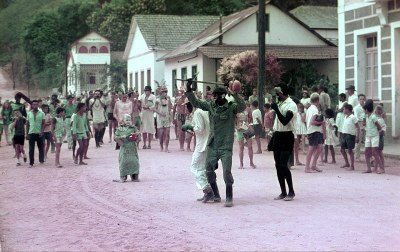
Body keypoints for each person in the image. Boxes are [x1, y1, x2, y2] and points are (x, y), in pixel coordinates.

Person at [185, 80, 246, 207]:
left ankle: (229, 197)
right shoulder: (210, 106)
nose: (216, 98)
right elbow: (196, 102)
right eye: (215, 96)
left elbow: (242, 106)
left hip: (225, 145)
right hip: (213, 144)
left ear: (224, 96)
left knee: (226, 172)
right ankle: (216, 195)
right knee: (209, 170)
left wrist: (234, 93)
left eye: (219, 96)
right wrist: (188, 89)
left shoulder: (231, 107)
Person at [269, 85, 297, 201]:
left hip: (287, 135)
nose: (277, 96)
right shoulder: (280, 103)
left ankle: (291, 191)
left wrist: (276, 109)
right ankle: (283, 191)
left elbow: (285, 121)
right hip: (277, 135)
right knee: (277, 165)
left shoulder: (291, 105)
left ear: (283, 93)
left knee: (283, 164)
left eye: (278, 94)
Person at [182, 106, 214, 202]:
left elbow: (200, 129)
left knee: (195, 167)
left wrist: (190, 127)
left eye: (185, 107)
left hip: (202, 145)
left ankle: (207, 190)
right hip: (206, 143)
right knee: (202, 169)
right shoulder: (204, 111)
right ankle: (207, 192)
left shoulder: (198, 112)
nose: (185, 110)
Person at [113, 114, 140, 182]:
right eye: (126, 120)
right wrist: (121, 138)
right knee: (123, 162)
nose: (128, 121)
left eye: (129, 120)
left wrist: (136, 136)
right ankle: (123, 177)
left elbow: (138, 136)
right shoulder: (119, 129)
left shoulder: (134, 128)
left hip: (132, 147)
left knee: (134, 162)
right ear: (123, 121)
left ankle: (134, 176)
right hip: (124, 147)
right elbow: (115, 137)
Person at [304, 93, 324, 173]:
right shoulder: (314, 109)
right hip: (314, 130)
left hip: (314, 130)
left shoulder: (310, 109)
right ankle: (307, 167)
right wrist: (321, 122)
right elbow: (312, 121)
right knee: (311, 149)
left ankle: (313, 165)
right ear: (317, 100)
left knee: (320, 147)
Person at [363, 100, 384, 174]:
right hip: (368, 136)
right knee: (366, 152)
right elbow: (364, 123)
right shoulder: (366, 116)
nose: (363, 111)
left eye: (364, 109)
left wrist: (380, 132)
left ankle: (381, 168)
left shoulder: (373, 117)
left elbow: (378, 126)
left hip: (374, 136)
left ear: (366, 110)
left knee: (374, 152)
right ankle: (369, 168)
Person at [236, 102, 256, 169]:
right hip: (240, 129)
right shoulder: (235, 110)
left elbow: (251, 118)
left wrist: (250, 125)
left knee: (250, 147)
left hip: (247, 128)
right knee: (241, 147)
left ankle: (251, 162)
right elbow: (233, 120)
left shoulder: (248, 109)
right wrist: (236, 127)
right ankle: (241, 164)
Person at [26, 100, 45, 168]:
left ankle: (41, 160)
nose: (35, 106)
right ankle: (31, 162)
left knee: (41, 147)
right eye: (34, 104)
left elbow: (43, 123)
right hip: (31, 132)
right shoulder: (29, 113)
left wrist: (42, 132)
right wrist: (27, 134)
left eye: (36, 104)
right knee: (31, 149)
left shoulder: (42, 113)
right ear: (32, 105)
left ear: (38, 105)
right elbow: (27, 124)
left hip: (39, 132)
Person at [155, 87, 172, 152]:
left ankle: (166, 147)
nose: (165, 93)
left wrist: (169, 100)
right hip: (160, 118)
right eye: (164, 92)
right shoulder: (157, 100)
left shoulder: (168, 99)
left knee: (167, 133)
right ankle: (161, 146)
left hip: (167, 117)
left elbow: (170, 107)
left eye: (166, 92)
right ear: (161, 93)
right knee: (161, 133)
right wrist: (160, 113)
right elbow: (154, 109)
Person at [354, 94, 366, 162]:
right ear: (358, 100)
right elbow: (356, 118)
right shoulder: (356, 108)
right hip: (359, 123)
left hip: (366, 124)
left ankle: (369, 157)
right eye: (360, 99)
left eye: (363, 99)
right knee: (358, 141)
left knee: (367, 141)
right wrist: (360, 126)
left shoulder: (366, 107)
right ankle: (357, 156)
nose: (362, 100)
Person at [374, 105, 386, 172]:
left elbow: (383, 131)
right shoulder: (377, 119)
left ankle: (382, 167)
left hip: (380, 138)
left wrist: (379, 132)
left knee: (379, 153)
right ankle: (376, 167)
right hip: (377, 138)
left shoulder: (381, 120)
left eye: (379, 110)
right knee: (377, 153)